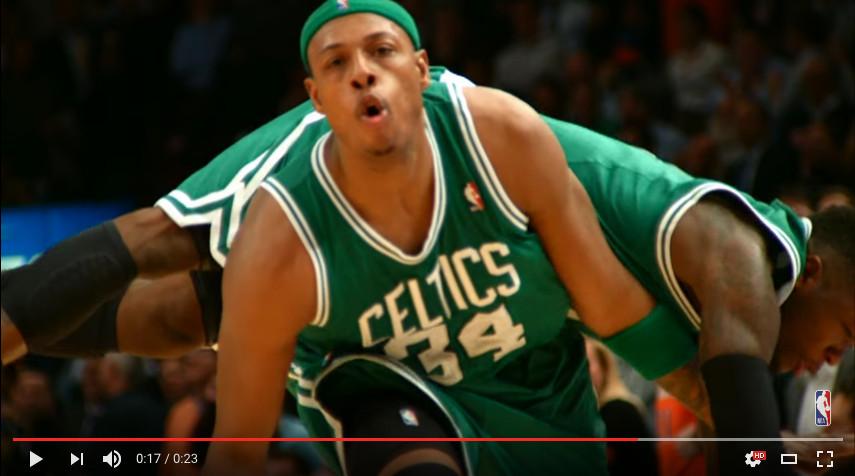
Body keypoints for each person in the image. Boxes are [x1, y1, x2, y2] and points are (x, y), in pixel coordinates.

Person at [2, 2, 854, 473]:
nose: (831, 356)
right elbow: (743, 419)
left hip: (516, 311)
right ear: (813, 270)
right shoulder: (740, 254)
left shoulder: (800, 357)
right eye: (843, 333)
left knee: (185, 314)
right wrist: (786, 456)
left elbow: (772, 407)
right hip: (433, 240)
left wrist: (806, 444)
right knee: (175, 282)